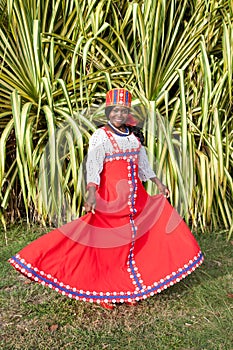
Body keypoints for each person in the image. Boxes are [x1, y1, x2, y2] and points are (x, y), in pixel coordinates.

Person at [9, 88, 204, 310]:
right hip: (112, 199)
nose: (119, 115)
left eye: (123, 110)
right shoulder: (101, 136)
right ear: (108, 111)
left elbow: (143, 163)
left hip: (136, 197)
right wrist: (91, 193)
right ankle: (104, 289)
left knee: (140, 236)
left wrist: (157, 182)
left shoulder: (132, 136)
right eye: (114, 110)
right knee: (111, 245)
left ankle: (132, 285)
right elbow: (93, 166)